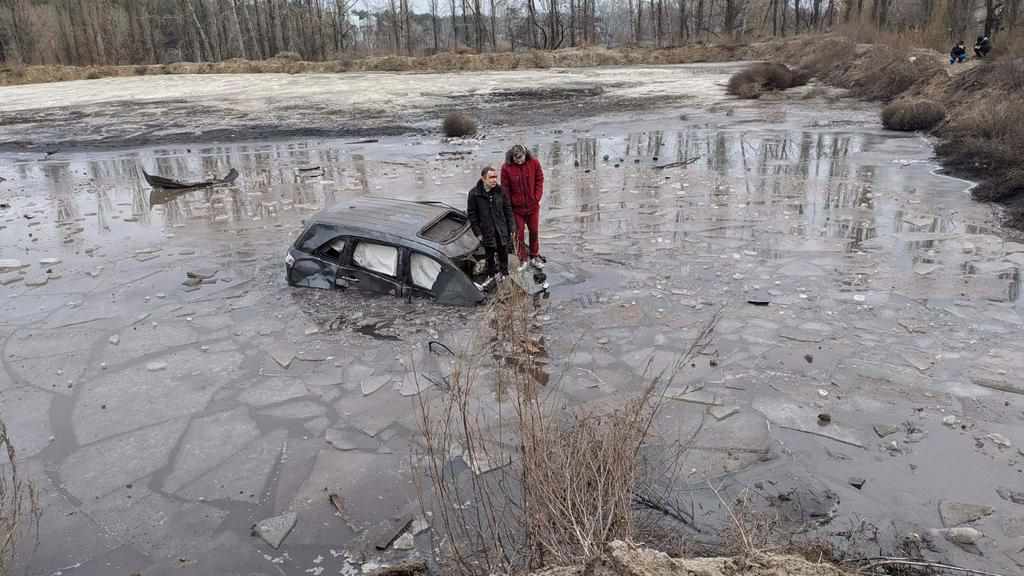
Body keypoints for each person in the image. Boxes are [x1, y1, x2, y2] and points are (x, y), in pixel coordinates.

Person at [500, 144, 545, 269]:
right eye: (516, 159)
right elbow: (505, 188)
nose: (519, 161)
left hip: (533, 206)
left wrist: (537, 196)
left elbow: (539, 179)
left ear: (525, 155)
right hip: (517, 209)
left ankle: (534, 256)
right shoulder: (506, 168)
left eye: (521, 158)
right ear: (512, 157)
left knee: (534, 231)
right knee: (518, 234)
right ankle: (522, 259)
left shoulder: (534, 163)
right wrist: (509, 204)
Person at [467, 166, 514, 284]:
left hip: (501, 228)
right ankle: (492, 275)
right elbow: (472, 215)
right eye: (491, 177)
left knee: (503, 252)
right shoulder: (474, 194)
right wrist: (478, 233)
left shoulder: (501, 191)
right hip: (486, 230)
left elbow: (508, 210)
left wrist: (512, 227)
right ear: (483, 178)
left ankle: (504, 273)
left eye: (495, 177)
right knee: (489, 255)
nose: (494, 180)